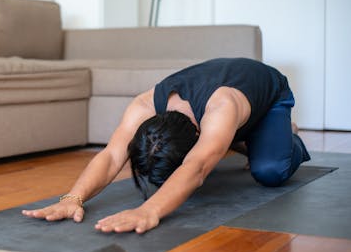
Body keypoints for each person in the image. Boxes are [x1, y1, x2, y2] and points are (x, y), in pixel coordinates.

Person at [22, 58, 310, 234]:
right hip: (224, 118)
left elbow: (196, 168)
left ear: (197, 135)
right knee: (219, 144)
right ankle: (243, 139)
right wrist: (73, 198)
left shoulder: (221, 107)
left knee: (270, 169)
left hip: (268, 93)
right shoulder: (144, 106)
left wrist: (149, 210)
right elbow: (111, 156)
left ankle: (287, 135)